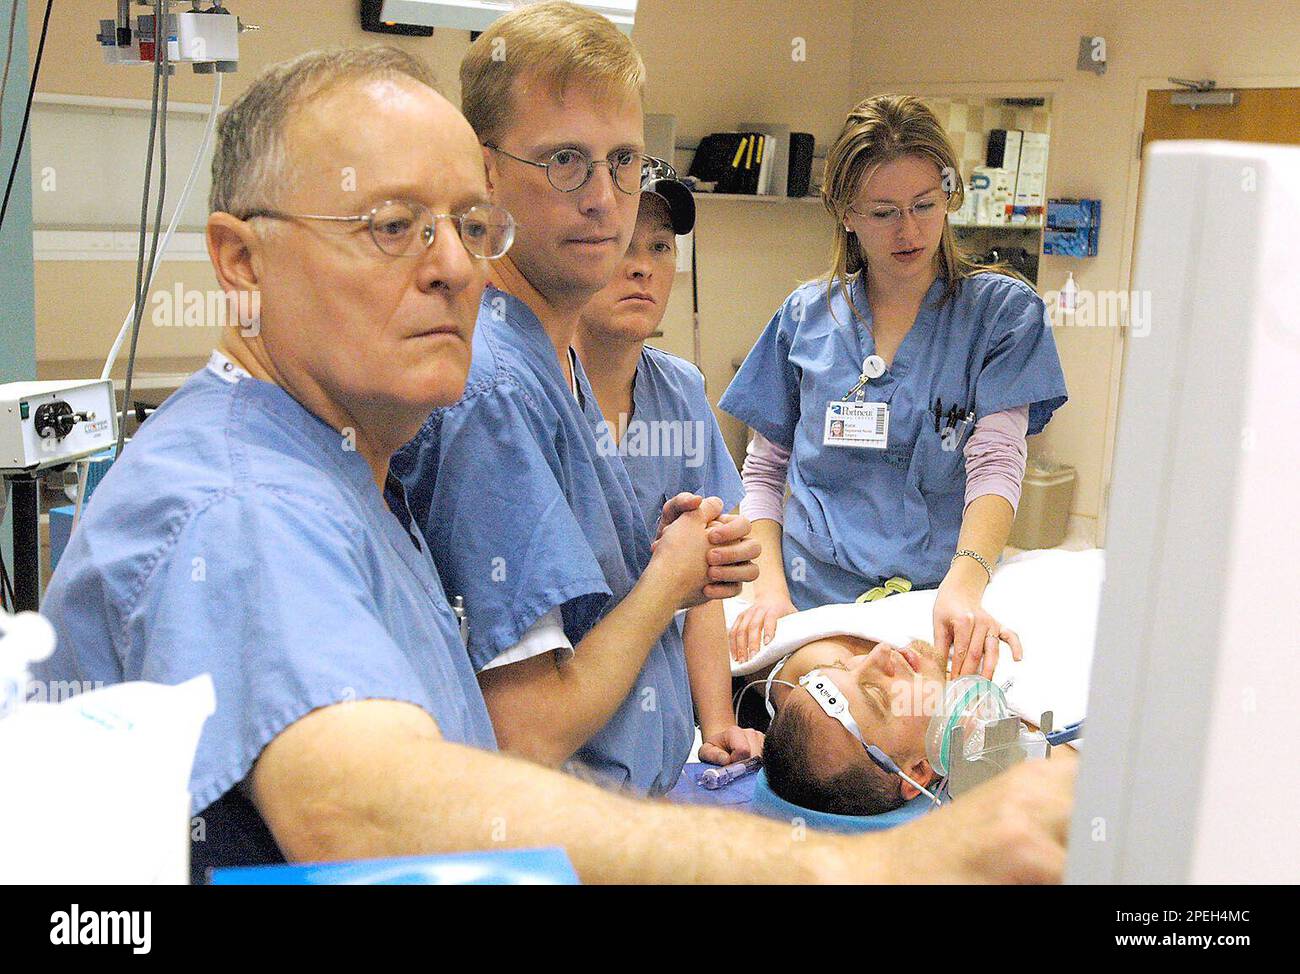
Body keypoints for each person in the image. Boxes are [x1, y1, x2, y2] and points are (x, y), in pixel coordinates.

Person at [34, 41, 1078, 886]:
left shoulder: (345, 466)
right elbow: (357, 801)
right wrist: (865, 870)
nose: (451, 265)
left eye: (466, 223)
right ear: (240, 261)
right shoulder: (242, 502)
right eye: (393, 225)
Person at [393, 2, 760, 796]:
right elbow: (525, 731)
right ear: (483, 176)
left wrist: (660, 560)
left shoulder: (553, 358)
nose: (606, 197)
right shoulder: (493, 389)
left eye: (623, 159)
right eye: (566, 160)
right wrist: (666, 582)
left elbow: (584, 617)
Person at [721, 94, 1068, 681]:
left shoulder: (1002, 316)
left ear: (950, 196)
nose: (908, 230)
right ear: (846, 214)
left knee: (934, 725)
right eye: (883, 212)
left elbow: (997, 462)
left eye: (924, 205)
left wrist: (963, 585)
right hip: (812, 601)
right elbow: (764, 468)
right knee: (823, 718)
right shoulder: (806, 318)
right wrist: (770, 591)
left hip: (938, 598)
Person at [575, 178, 761, 766]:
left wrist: (718, 725)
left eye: (660, 247)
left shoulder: (679, 391)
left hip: (659, 744)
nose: (644, 269)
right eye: (626, 243)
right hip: (564, 742)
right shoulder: (535, 396)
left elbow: (701, 586)